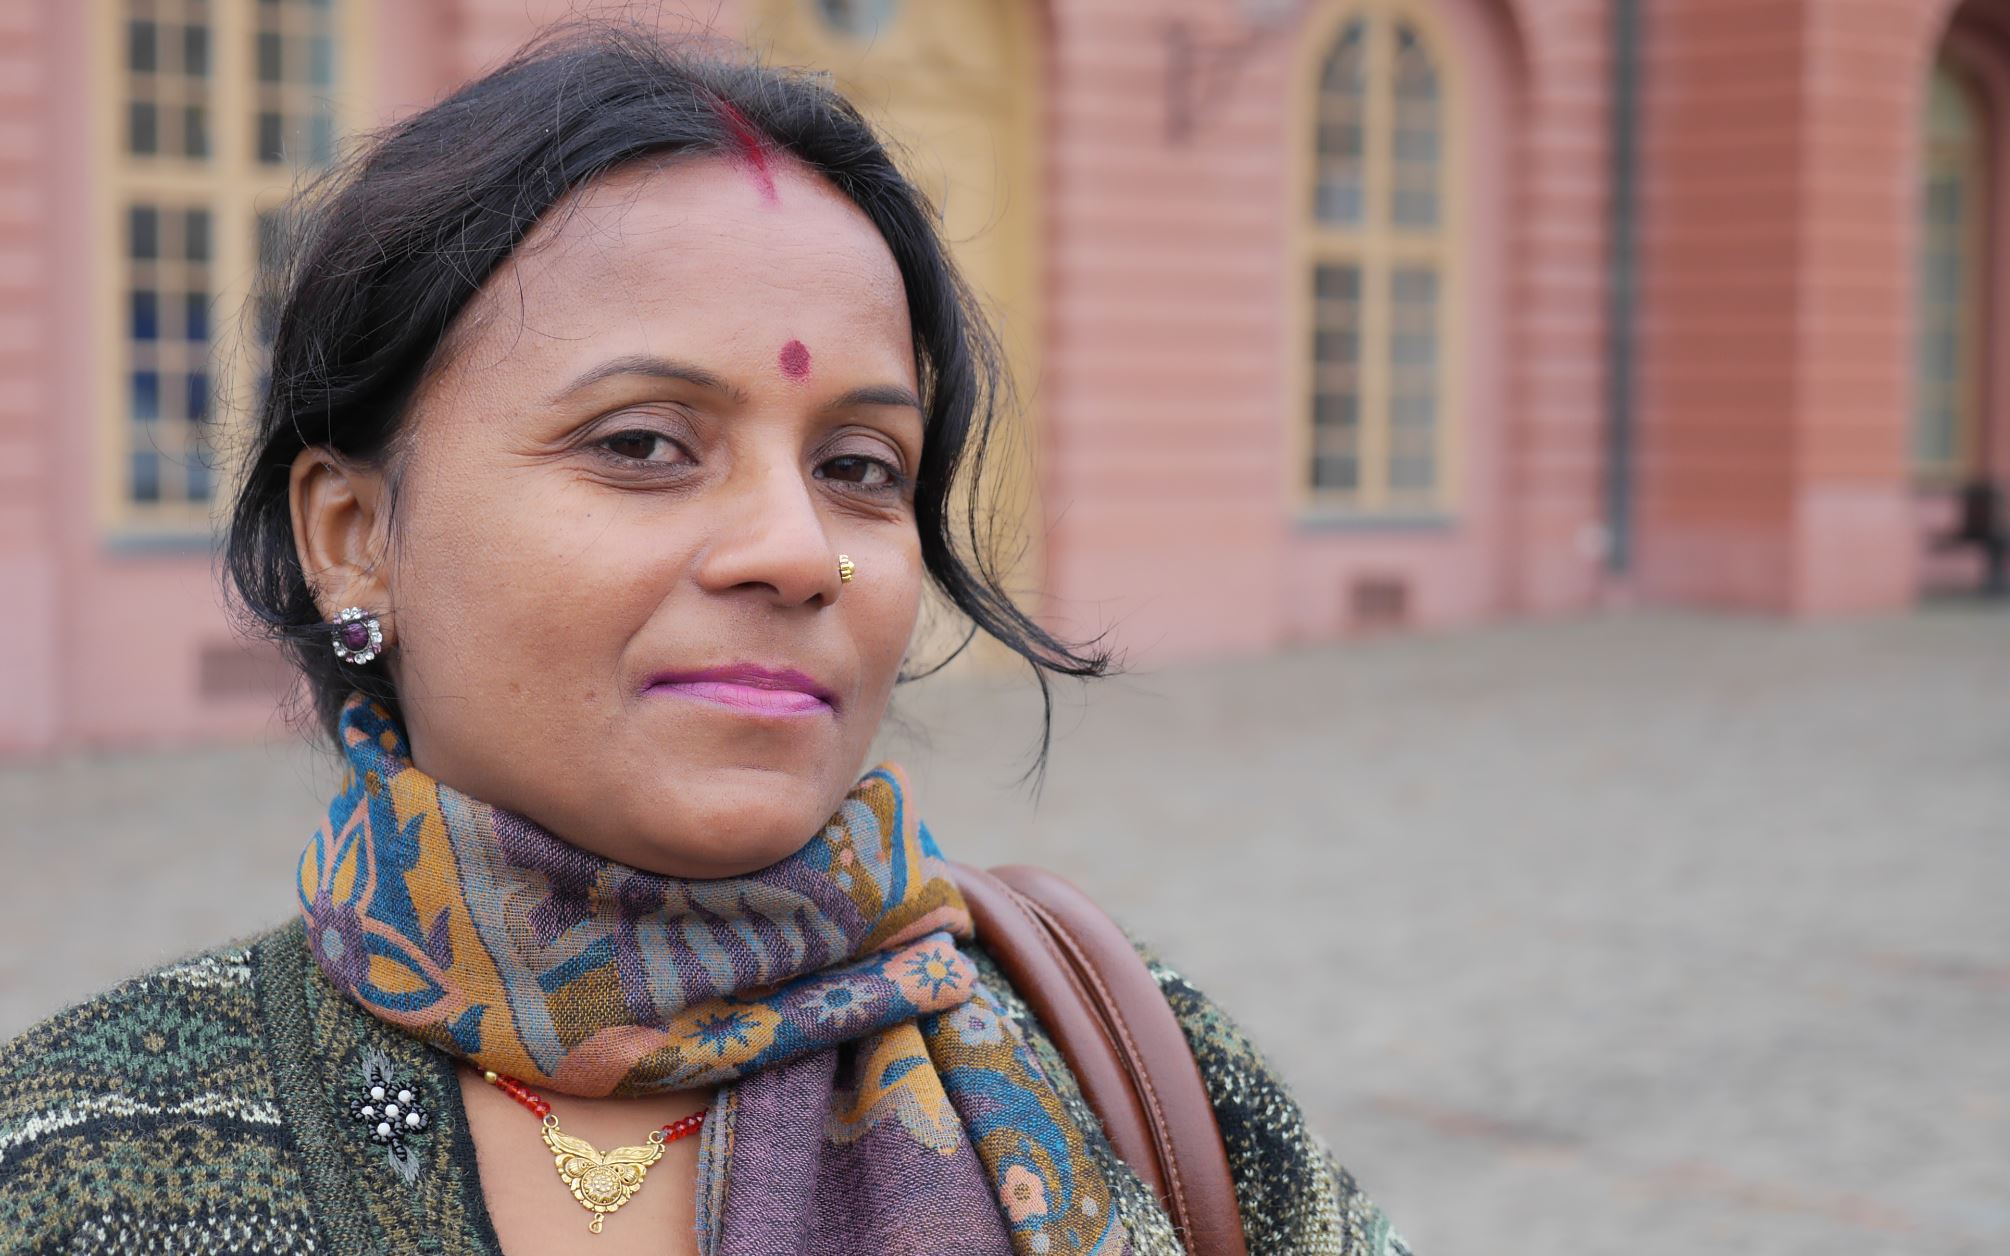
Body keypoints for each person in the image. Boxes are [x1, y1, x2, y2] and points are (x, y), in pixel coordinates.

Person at [0, 25, 1408, 1256]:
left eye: (861, 465)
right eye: (644, 444)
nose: (799, 552)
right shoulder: (90, 1153)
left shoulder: (1134, 1069)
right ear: (354, 532)